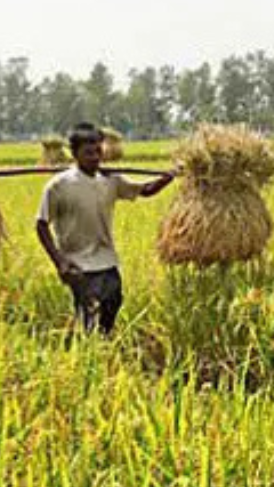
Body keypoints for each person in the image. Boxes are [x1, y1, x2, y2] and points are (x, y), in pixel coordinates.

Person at [35, 123, 174, 335]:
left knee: (113, 303)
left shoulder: (110, 181)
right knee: (90, 315)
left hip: (107, 260)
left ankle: (102, 347)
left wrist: (166, 179)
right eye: (88, 153)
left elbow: (144, 190)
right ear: (74, 154)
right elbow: (41, 224)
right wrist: (59, 261)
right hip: (77, 264)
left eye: (98, 151)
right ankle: (90, 356)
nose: (95, 157)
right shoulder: (59, 185)